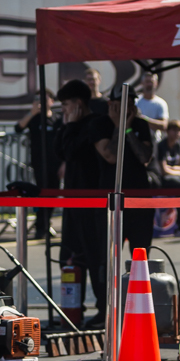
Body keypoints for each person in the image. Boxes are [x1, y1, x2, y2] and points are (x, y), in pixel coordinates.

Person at [55, 79, 108, 327]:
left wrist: (72, 126)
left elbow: (72, 151)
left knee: (94, 256)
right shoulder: (70, 125)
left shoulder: (95, 124)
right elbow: (59, 151)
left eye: (66, 105)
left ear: (78, 103)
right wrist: (67, 126)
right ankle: (73, 308)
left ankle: (103, 307)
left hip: (91, 201)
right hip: (72, 200)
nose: (63, 110)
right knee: (69, 257)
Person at [97, 89, 155, 252]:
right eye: (122, 103)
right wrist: (118, 126)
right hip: (112, 196)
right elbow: (110, 156)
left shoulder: (140, 124)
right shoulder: (100, 124)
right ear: (111, 104)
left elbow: (144, 157)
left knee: (141, 251)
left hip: (139, 195)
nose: (127, 108)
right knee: (110, 252)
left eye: (130, 103)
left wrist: (128, 129)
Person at [14, 88, 60, 235]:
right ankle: (41, 225)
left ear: (51, 101)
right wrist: (32, 112)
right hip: (39, 162)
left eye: (44, 99)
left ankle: (45, 222)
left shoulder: (57, 119)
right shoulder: (34, 118)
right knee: (41, 192)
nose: (40, 102)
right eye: (37, 100)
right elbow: (18, 128)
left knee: (54, 192)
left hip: (56, 163)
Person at [134, 72, 169, 139]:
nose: (149, 84)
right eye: (147, 82)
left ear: (156, 83)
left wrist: (144, 119)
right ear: (142, 83)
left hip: (154, 140)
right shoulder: (136, 102)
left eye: (151, 82)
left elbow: (163, 126)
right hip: (137, 139)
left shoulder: (161, 103)